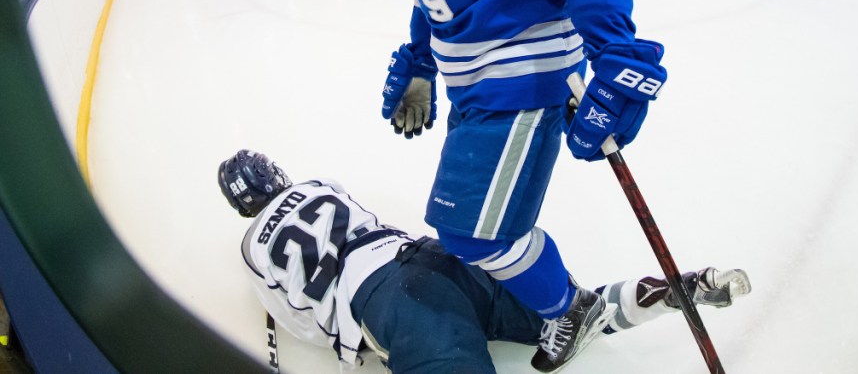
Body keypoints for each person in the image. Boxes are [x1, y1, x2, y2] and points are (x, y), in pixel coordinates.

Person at [324, 0, 668, 373]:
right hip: (472, 91)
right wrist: (423, 66)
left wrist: (614, 51)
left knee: (472, 235)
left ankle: (570, 309)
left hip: (526, 74)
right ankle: (567, 305)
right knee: (468, 233)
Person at [218, 150, 751, 373]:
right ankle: (680, 288)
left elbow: (301, 318)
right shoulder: (319, 185)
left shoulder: (250, 248)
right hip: (439, 259)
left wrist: (346, 344)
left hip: (393, 306)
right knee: (570, 318)